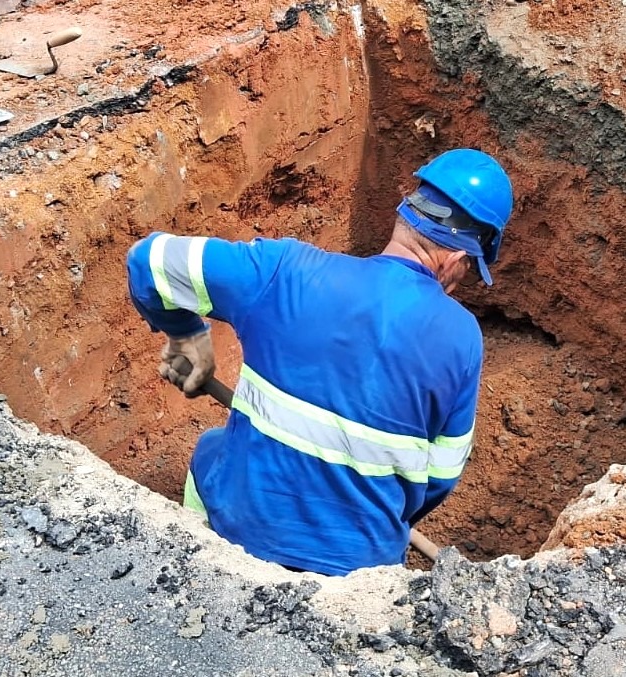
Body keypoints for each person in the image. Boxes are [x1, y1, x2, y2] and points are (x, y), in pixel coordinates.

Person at [124, 148, 513, 575]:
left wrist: (187, 336)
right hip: (359, 568)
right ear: (457, 259)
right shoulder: (462, 338)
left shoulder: (284, 270)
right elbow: (440, 476)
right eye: (470, 271)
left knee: (211, 453)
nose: (462, 282)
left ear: (404, 216)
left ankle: (203, 569)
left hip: (242, 526)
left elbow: (149, 261)